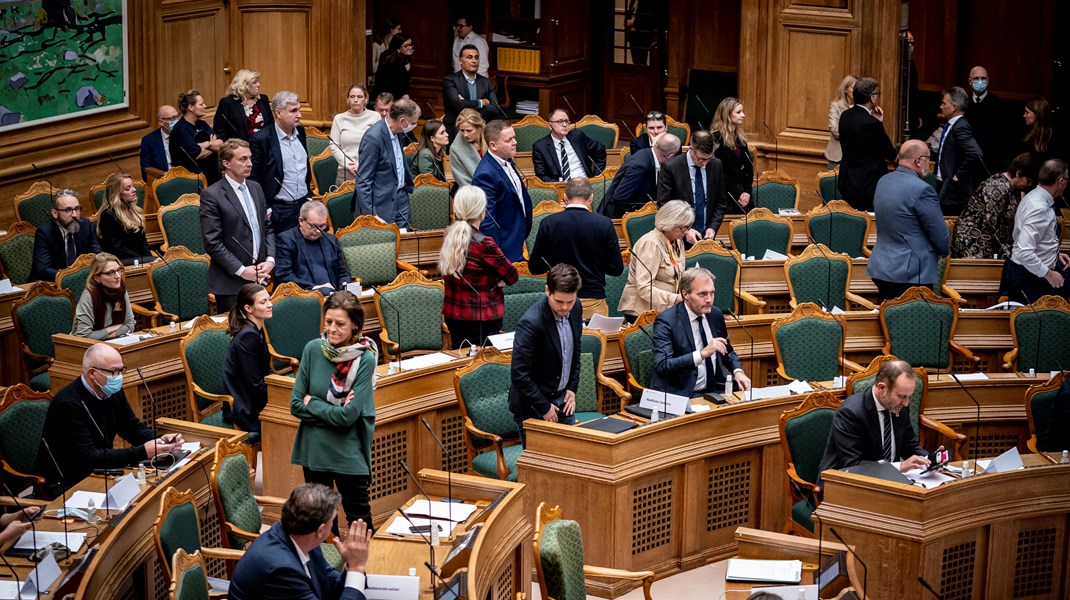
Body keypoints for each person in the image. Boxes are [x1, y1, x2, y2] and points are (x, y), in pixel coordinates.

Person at [36, 343, 183, 491]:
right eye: (114, 372)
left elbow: (132, 428)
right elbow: (89, 457)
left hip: (101, 471)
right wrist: (143, 452)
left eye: (121, 370)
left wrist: (161, 440)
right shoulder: (68, 404)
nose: (119, 377)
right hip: (67, 484)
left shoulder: (112, 391)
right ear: (92, 373)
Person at [291, 291, 377, 532]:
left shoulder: (365, 359)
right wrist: (334, 408)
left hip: (347, 450)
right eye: (328, 322)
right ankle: (329, 571)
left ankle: (360, 570)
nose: (332, 329)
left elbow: (348, 417)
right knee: (322, 526)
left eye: (340, 324)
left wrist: (313, 403)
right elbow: (295, 404)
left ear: (355, 326)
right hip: (315, 449)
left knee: (360, 524)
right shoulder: (312, 350)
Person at [228, 483, 372, 600]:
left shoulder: (303, 537)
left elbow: (329, 584)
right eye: (332, 520)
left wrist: (350, 565)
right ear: (321, 530)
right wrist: (357, 566)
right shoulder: (281, 570)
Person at [817, 359, 934, 476]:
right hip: (844, 482)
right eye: (902, 396)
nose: (906, 403)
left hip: (889, 478)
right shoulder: (851, 413)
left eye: (908, 397)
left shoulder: (900, 407)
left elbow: (909, 446)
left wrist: (930, 460)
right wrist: (900, 466)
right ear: (882, 388)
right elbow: (852, 464)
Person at [866, 140, 950, 302]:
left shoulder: (883, 182)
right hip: (911, 274)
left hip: (882, 268)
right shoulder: (923, 190)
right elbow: (941, 237)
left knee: (890, 323)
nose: (930, 163)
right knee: (915, 326)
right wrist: (944, 250)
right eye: (928, 158)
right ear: (918, 160)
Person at [509, 264, 583, 446]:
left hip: (563, 398)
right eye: (559, 302)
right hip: (534, 404)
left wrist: (572, 387)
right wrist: (544, 407)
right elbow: (520, 374)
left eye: (570, 301)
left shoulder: (576, 308)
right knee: (540, 468)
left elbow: (575, 352)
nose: (565, 307)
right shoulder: (531, 323)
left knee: (570, 458)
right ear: (547, 291)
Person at [529, 177, 623, 318]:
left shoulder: (548, 223)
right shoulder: (604, 224)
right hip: (594, 302)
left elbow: (535, 267)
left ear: (565, 197)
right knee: (595, 340)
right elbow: (616, 269)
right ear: (591, 198)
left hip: (560, 301)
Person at [650, 267, 750, 399]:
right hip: (681, 394)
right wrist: (702, 354)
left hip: (714, 390)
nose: (709, 299)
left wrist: (738, 371)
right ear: (685, 294)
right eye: (702, 294)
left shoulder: (715, 314)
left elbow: (727, 350)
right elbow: (663, 365)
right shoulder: (666, 321)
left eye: (712, 293)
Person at [200, 139, 276, 313]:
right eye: (243, 159)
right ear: (226, 163)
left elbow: (267, 227)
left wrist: (270, 261)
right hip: (231, 284)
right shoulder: (212, 195)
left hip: (261, 278)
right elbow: (212, 242)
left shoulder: (256, 188)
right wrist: (242, 270)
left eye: (250, 158)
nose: (249, 164)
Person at [438, 185, 518, 348]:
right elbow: (512, 275)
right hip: (482, 317)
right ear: (482, 211)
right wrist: (497, 280)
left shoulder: (450, 236)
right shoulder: (484, 243)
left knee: (461, 364)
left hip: (454, 315)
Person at [1001, 159, 1070, 304]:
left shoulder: (1033, 197)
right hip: (1032, 280)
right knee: (1037, 325)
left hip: (1033, 274)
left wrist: (1053, 253)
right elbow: (1024, 252)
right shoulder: (1039, 208)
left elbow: (1036, 238)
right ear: (1061, 181)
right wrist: (1049, 274)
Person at [950, 153, 1037, 259]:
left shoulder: (1015, 190)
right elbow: (990, 225)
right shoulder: (997, 188)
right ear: (1018, 173)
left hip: (990, 241)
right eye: (1028, 180)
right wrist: (1007, 250)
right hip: (973, 239)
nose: (1029, 185)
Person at [250, 90, 312, 233]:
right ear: (278, 113)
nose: (299, 115)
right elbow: (253, 179)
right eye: (293, 111)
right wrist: (267, 209)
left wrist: (308, 197)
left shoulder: (300, 132)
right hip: (279, 210)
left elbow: (304, 168)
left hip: (303, 206)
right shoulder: (261, 139)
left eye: (299, 110)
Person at [617, 200, 691, 318]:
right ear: (670, 223)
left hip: (667, 308)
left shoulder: (678, 242)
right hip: (644, 312)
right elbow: (644, 287)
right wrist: (674, 298)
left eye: (688, 227)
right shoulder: (651, 244)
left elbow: (678, 274)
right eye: (683, 227)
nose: (686, 232)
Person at [473, 120, 533, 262]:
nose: (515, 142)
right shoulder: (485, 174)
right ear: (493, 145)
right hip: (504, 248)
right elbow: (487, 220)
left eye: (514, 137)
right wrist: (497, 257)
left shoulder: (507, 160)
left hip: (516, 238)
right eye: (509, 140)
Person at [355, 98, 420, 227]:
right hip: (380, 205)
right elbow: (363, 181)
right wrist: (372, 215)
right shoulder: (373, 138)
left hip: (401, 199)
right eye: (413, 123)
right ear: (402, 122)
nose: (415, 125)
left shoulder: (399, 133)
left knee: (405, 241)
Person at [657, 130, 728, 243]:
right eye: (701, 159)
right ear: (691, 149)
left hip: (707, 237)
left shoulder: (716, 164)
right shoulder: (671, 167)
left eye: (708, 158)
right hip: (679, 237)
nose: (705, 163)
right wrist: (686, 230)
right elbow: (664, 205)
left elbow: (721, 202)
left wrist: (712, 228)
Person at [837, 77, 896, 212]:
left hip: (847, 182)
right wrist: (879, 124)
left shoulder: (845, 116)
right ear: (872, 98)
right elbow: (890, 154)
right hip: (868, 187)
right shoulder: (871, 124)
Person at [222, 283, 272, 433]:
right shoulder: (248, 336)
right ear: (248, 308)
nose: (270, 305)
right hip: (247, 407)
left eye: (269, 300)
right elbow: (254, 384)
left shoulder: (256, 328)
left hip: (254, 397)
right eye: (263, 302)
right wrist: (280, 397)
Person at [275, 201, 352, 295]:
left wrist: (343, 285)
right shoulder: (286, 240)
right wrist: (314, 288)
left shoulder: (331, 240)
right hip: (304, 296)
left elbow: (343, 272)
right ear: (301, 221)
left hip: (333, 296)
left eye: (322, 226)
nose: (318, 231)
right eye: (314, 226)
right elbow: (283, 275)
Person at [600, 132, 680, 219]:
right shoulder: (640, 167)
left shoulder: (649, 154)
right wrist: (639, 216)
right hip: (617, 217)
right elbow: (620, 198)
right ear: (670, 156)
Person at [30, 189, 102, 282]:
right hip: (51, 284)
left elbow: (97, 255)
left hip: (83, 280)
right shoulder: (45, 233)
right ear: (55, 213)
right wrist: (71, 276)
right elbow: (43, 269)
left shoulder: (85, 225)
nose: (75, 215)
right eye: (68, 210)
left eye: (77, 209)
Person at [934, 86, 984, 216]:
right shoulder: (952, 125)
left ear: (954, 107)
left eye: (944, 103)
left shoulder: (961, 126)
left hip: (953, 192)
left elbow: (975, 153)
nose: (941, 106)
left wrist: (958, 175)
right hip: (944, 186)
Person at [531, 108, 607, 182]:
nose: (564, 125)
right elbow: (541, 176)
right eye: (559, 121)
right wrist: (558, 184)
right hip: (560, 187)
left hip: (584, 183)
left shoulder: (578, 137)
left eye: (566, 121)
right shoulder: (540, 146)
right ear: (550, 125)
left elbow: (600, 149)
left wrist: (596, 176)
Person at [72, 252, 135, 340]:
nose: (117, 276)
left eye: (119, 270)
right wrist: (109, 329)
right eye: (110, 272)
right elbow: (84, 336)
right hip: (88, 348)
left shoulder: (121, 290)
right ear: (96, 277)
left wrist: (111, 334)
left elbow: (130, 324)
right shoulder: (89, 296)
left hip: (117, 342)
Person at [329, 83, 381, 186]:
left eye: (359, 96)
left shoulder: (375, 117)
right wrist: (349, 165)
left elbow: (379, 145)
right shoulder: (339, 119)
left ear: (366, 99)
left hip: (369, 169)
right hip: (345, 171)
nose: (355, 100)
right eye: (352, 97)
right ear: (348, 100)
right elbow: (334, 145)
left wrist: (362, 165)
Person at [443, 44, 498, 138]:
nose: (474, 61)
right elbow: (457, 105)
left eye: (476, 58)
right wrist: (481, 102)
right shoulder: (450, 80)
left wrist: (473, 117)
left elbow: (495, 107)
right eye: (469, 57)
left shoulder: (486, 82)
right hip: (455, 130)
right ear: (460, 61)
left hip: (480, 131)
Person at [96, 172, 151, 264]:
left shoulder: (134, 211)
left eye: (132, 186)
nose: (134, 190)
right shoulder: (108, 215)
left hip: (139, 259)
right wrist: (144, 260)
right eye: (128, 188)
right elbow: (118, 249)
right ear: (118, 194)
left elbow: (143, 243)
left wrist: (150, 260)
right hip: (119, 261)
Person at [169, 89, 222, 184]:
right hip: (191, 182)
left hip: (213, 176)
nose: (205, 106)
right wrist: (210, 143)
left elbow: (220, 145)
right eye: (201, 104)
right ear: (191, 107)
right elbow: (197, 154)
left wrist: (199, 145)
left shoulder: (203, 124)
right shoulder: (180, 129)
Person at [710, 97, 753, 213]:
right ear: (727, 114)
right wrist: (737, 194)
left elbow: (749, 168)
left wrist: (747, 192)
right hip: (724, 195)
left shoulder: (740, 137)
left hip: (742, 193)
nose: (743, 115)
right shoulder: (716, 138)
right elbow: (718, 172)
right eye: (738, 112)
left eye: (742, 111)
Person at [965, 65, 1011, 174]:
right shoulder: (964, 103)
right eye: (976, 79)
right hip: (966, 163)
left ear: (988, 80)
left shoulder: (998, 105)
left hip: (989, 163)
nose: (980, 81)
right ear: (970, 81)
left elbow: (1002, 138)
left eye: (983, 78)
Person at [214, 69, 274, 142]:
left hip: (264, 145)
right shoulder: (228, 103)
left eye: (258, 81)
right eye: (254, 82)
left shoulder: (263, 99)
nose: (259, 84)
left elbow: (271, 125)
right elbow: (220, 131)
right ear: (243, 85)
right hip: (241, 147)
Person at [824, 75, 856, 169]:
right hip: (837, 157)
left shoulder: (862, 108)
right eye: (853, 88)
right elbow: (834, 130)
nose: (856, 91)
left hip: (856, 159)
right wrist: (856, 132)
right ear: (846, 89)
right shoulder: (836, 105)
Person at [449, 108, 486, 188]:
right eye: (462, 130)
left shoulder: (490, 139)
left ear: (479, 128)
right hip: (470, 192)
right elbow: (461, 179)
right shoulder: (455, 148)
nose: (465, 134)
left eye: (469, 131)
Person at [140, 105, 179, 179]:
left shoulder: (185, 134)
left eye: (177, 117)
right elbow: (146, 172)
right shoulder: (149, 141)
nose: (176, 121)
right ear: (161, 122)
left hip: (186, 178)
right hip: (163, 181)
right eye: (172, 118)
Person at [372, 33, 414, 101]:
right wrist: (404, 96)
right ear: (398, 47)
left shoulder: (405, 58)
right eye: (406, 46)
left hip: (398, 97)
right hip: (386, 98)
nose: (410, 48)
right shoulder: (388, 59)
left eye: (411, 45)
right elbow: (393, 83)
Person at [1020, 96, 1058, 164]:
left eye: (1027, 112)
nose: (1024, 115)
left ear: (1037, 114)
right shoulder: (1026, 133)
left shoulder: (1052, 136)